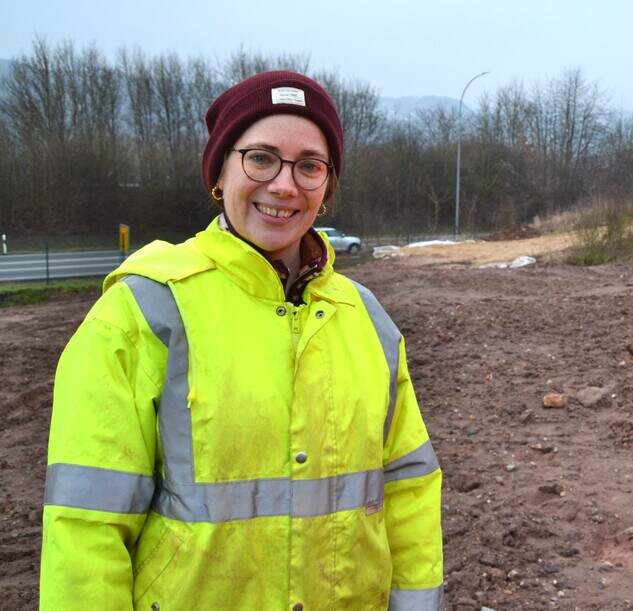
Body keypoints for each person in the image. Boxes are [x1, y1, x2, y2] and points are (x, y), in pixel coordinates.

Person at [40, 71, 443, 610]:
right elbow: (86, 524)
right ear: (220, 171)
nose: (285, 185)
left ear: (327, 186)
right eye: (261, 158)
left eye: (309, 165)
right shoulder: (144, 310)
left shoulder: (366, 318)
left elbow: (409, 487)